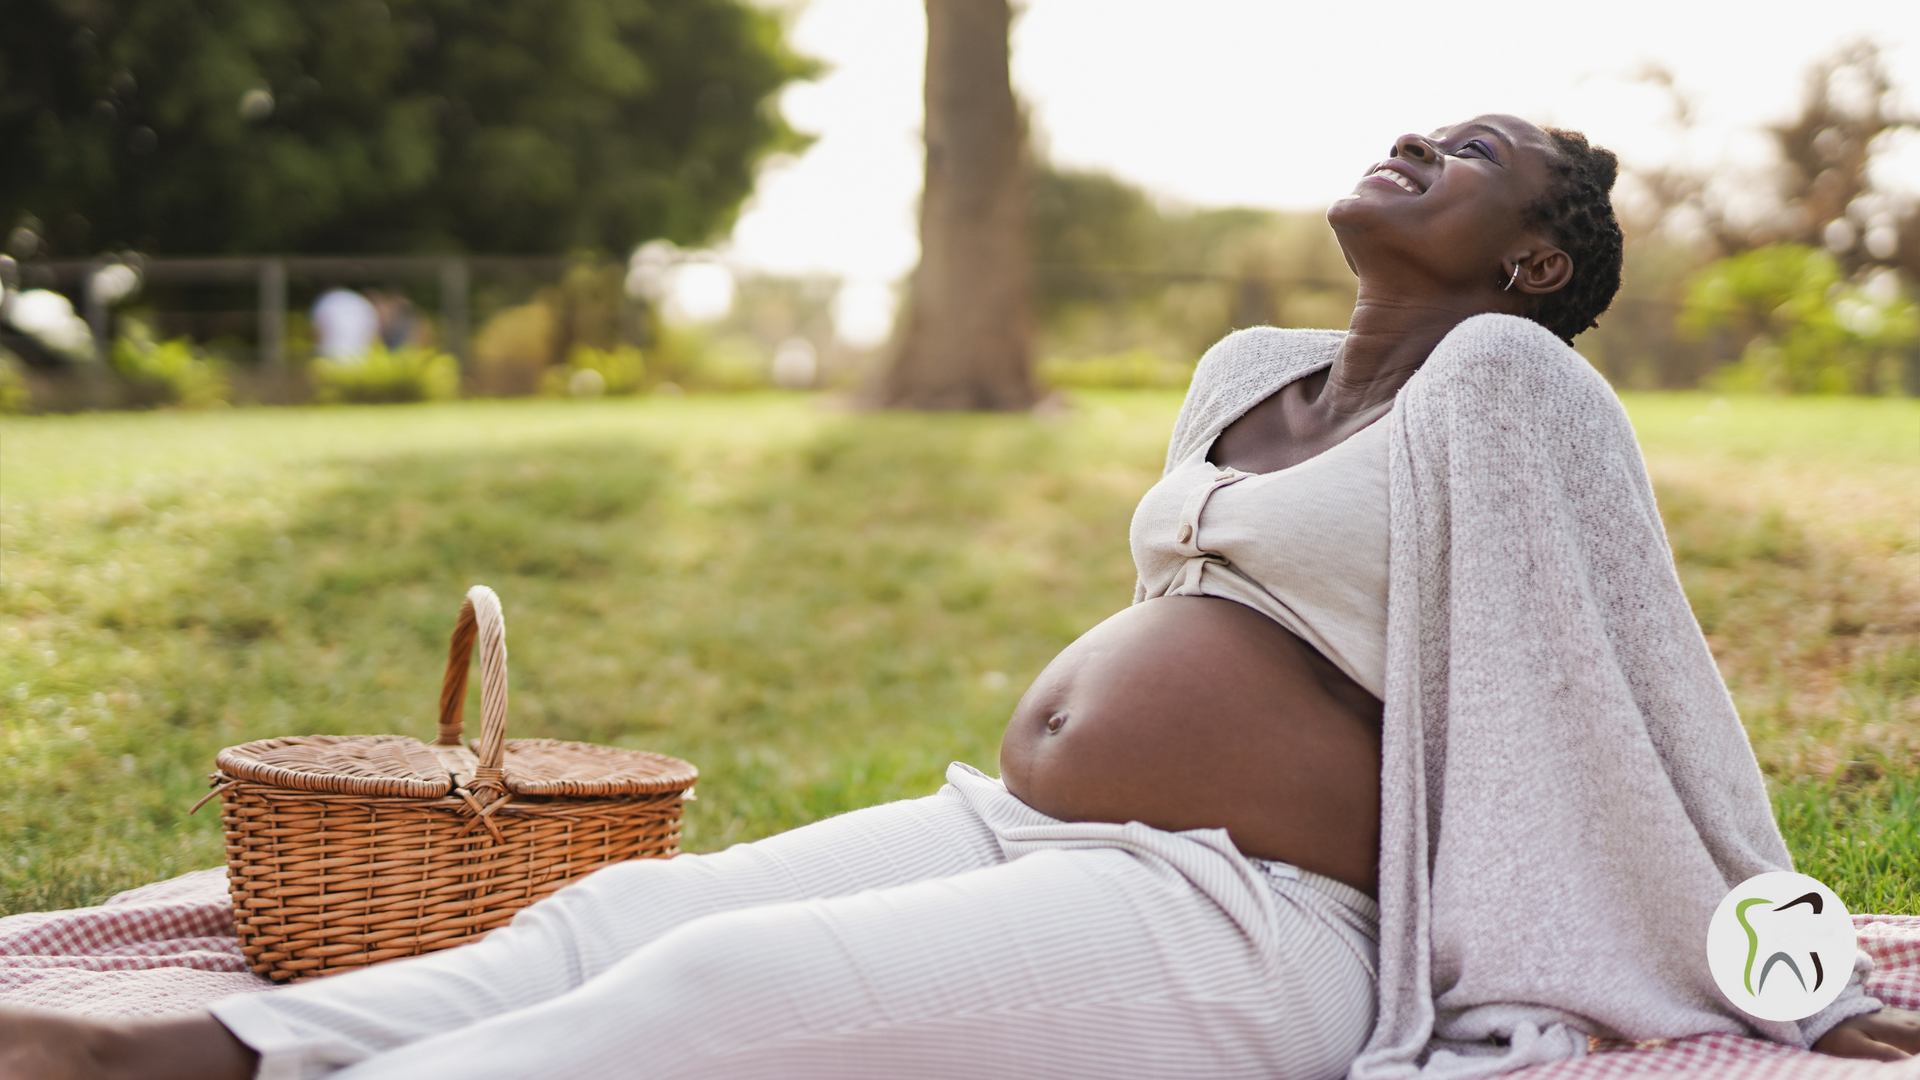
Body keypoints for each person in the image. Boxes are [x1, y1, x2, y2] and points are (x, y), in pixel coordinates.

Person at [4, 115, 1917, 1080]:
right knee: (637, 904)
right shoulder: (1248, 366)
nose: (1425, 141)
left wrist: (1786, 958)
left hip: (1268, 916)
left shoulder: (1518, 387)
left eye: (1480, 155)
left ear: (1531, 257)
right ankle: (214, 1050)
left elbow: (1638, 693)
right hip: (1013, 825)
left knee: (722, 994)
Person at [309, 287, 379, 363]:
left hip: (328, 359)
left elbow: (315, 331)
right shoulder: (363, 306)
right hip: (362, 362)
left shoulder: (325, 302)